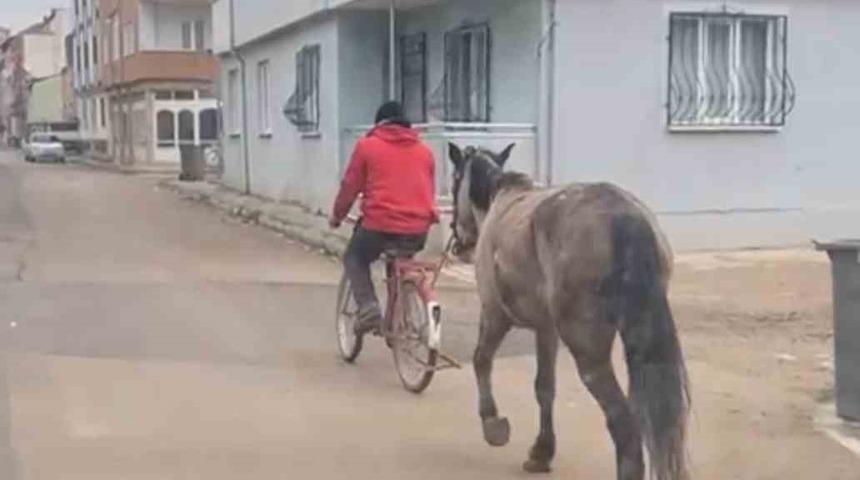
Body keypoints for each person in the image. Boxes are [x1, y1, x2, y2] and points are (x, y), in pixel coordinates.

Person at [329, 101, 438, 334]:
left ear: (379, 124)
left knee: (355, 258)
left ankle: (368, 307)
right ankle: (394, 323)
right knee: (400, 261)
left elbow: (350, 186)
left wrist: (337, 216)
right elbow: (428, 189)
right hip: (418, 228)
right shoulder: (425, 152)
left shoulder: (367, 146)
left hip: (379, 225)